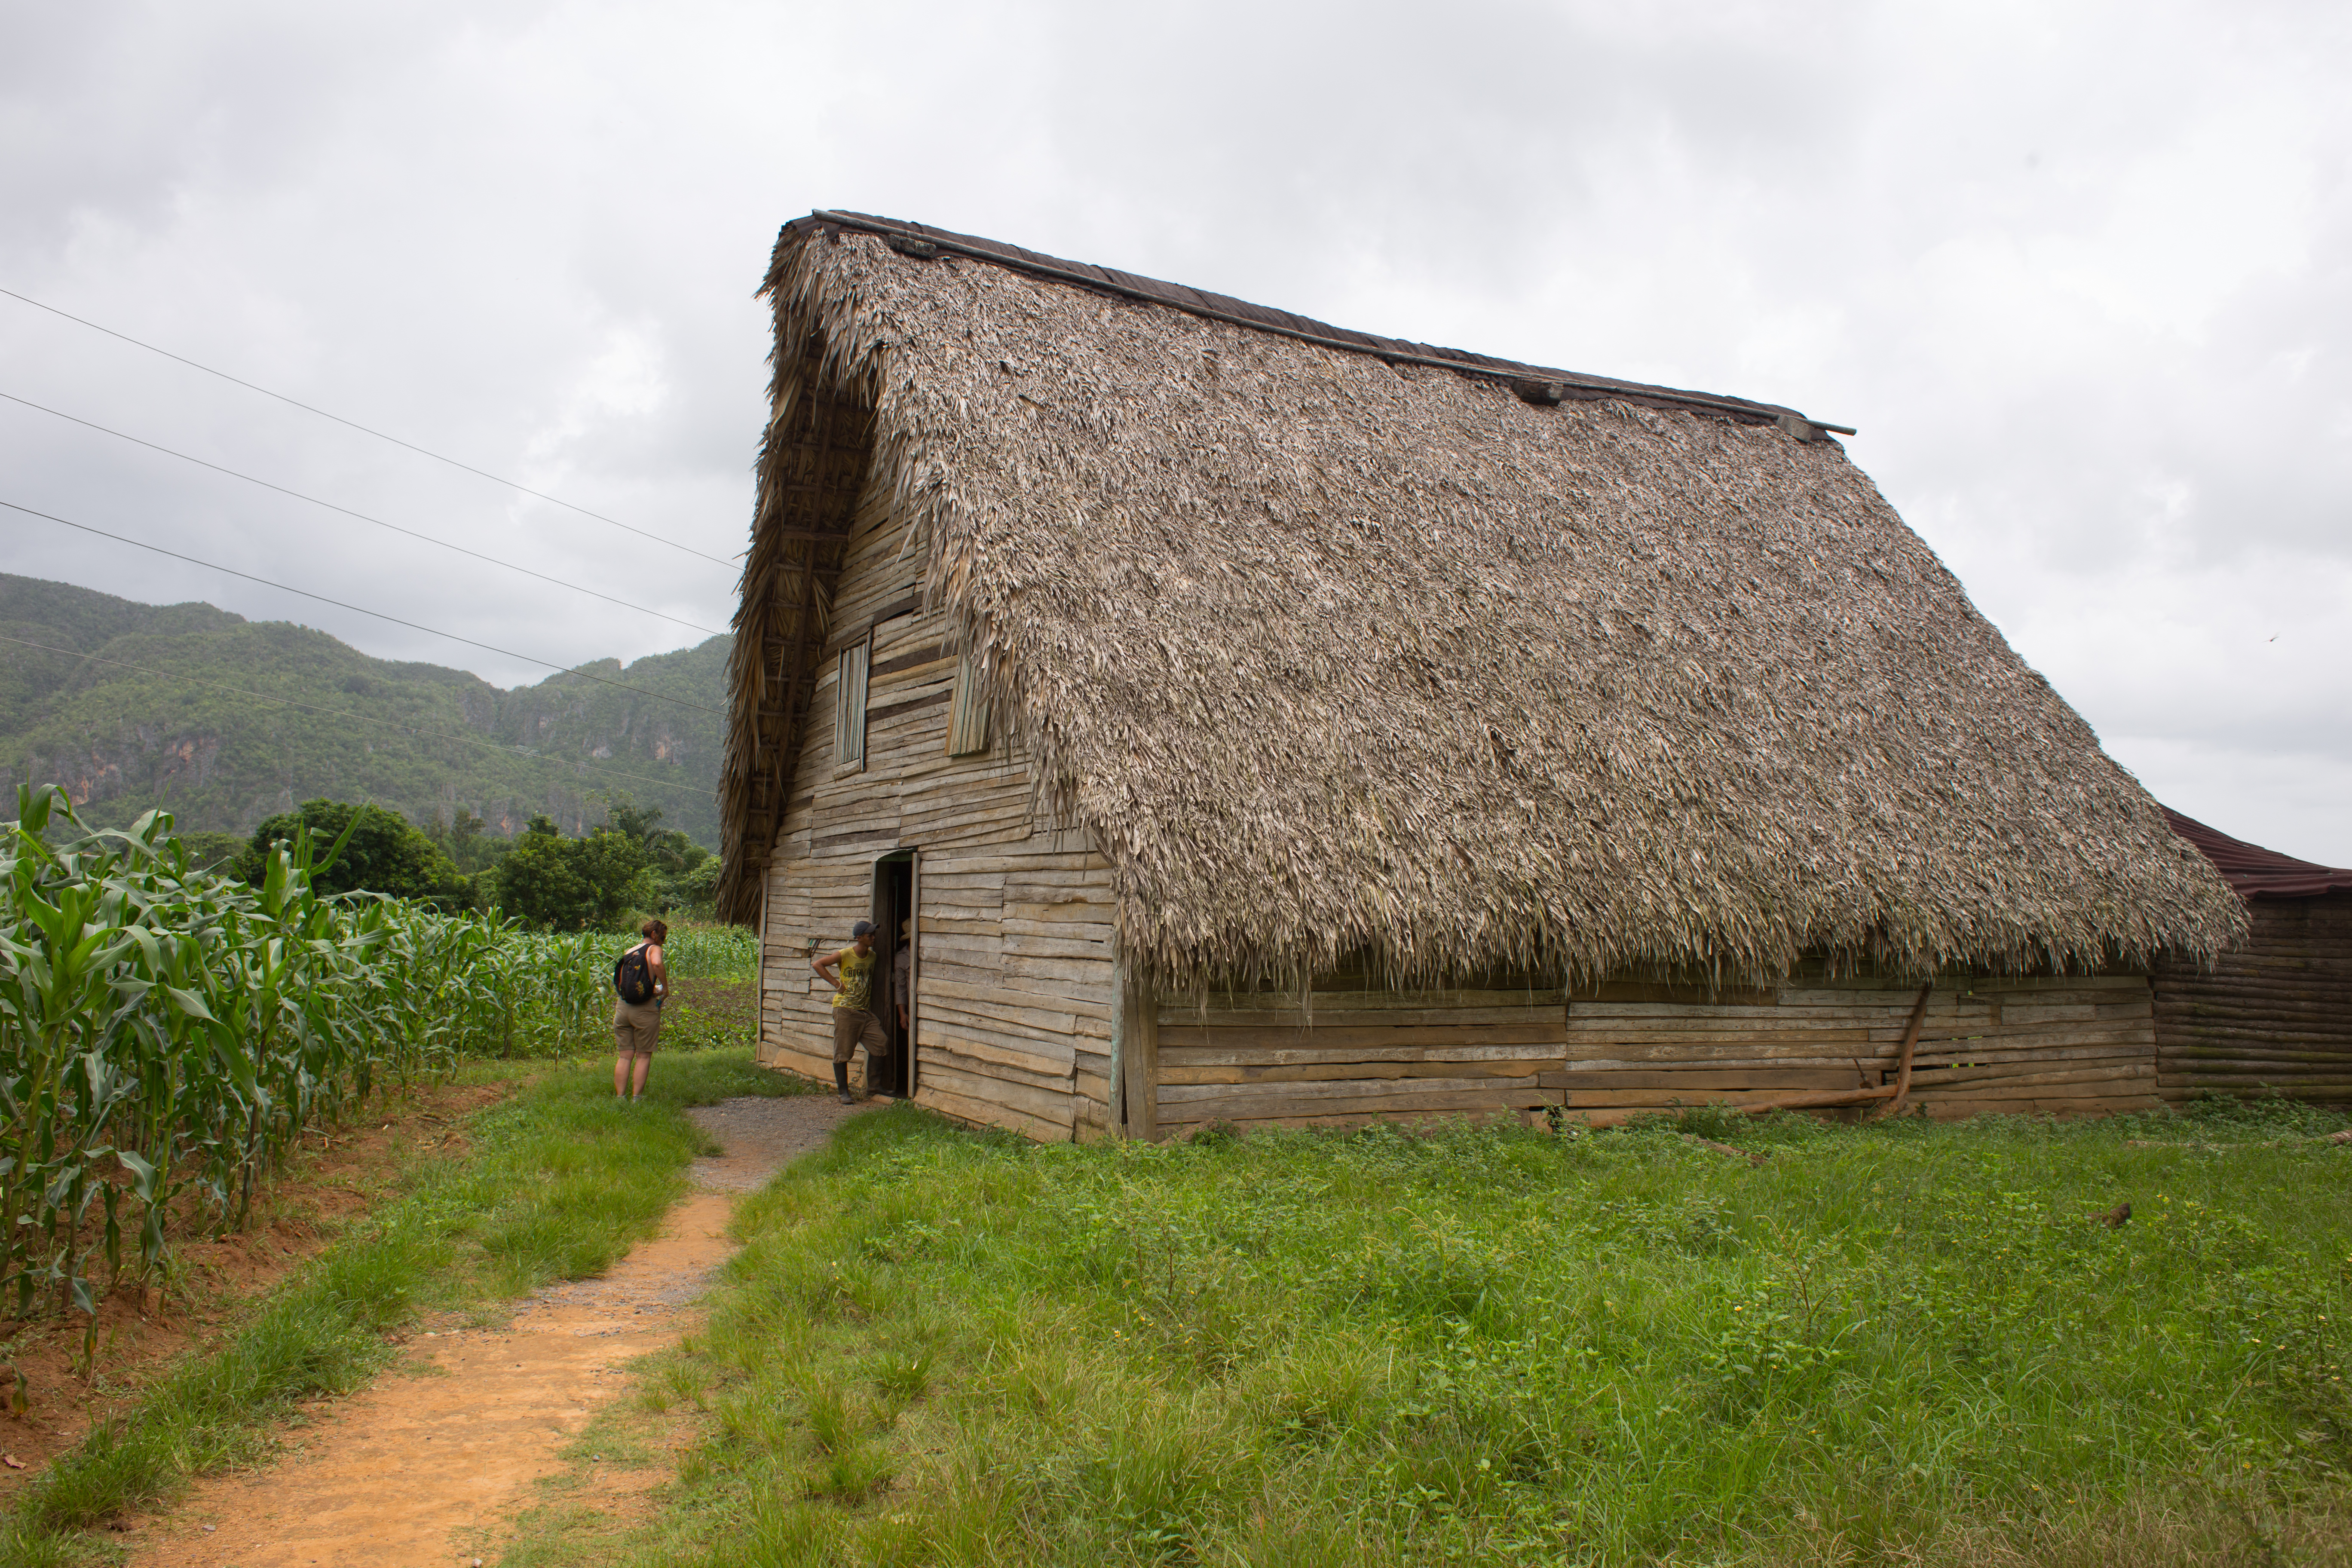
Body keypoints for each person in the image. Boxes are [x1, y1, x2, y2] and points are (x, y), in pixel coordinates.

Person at [814, 919, 885, 1104]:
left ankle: (874, 1087)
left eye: (874, 934)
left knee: (881, 1043)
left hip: (864, 1011)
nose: (873, 937)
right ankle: (843, 1093)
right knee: (843, 1052)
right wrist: (837, 984)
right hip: (846, 1009)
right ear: (859, 938)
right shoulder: (845, 954)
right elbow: (818, 965)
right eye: (870, 935)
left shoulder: (872, 957)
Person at [612, 917, 668, 1103]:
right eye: (663, 938)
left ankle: (621, 1098)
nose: (663, 942)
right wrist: (665, 988)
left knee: (625, 1056)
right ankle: (637, 1099)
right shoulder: (654, 949)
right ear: (654, 935)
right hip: (644, 1010)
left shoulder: (630, 951)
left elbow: (621, 981)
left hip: (623, 1008)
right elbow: (657, 964)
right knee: (643, 1055)